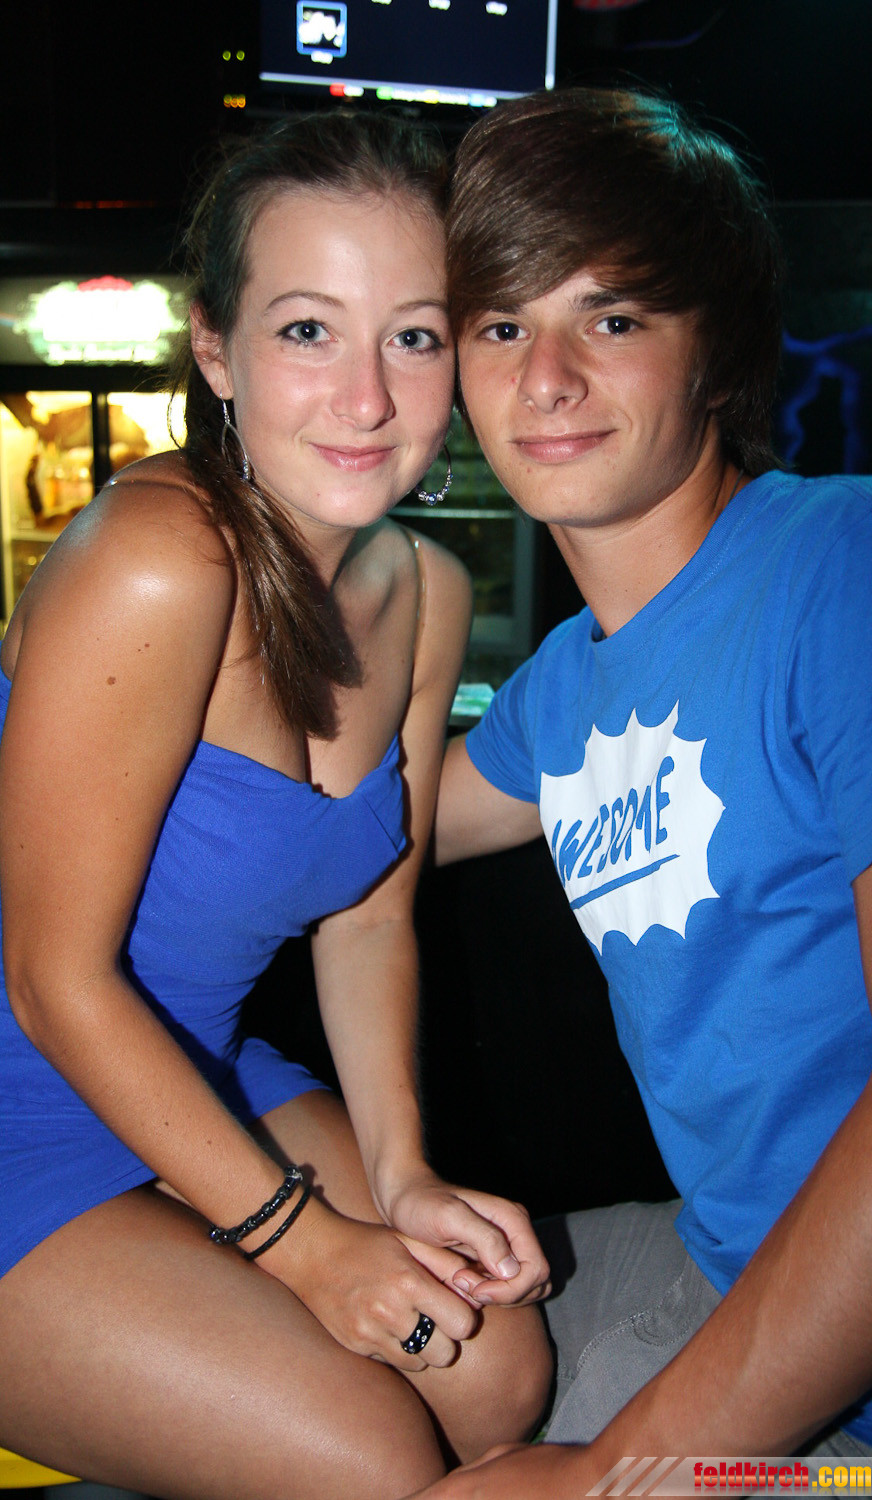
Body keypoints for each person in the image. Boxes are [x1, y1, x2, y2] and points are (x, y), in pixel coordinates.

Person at [420, 87, 872, 1496]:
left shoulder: (864, 564)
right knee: (352, 1373)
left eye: (612, 318)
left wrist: (614, 1477)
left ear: (715, 350)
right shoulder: (565, 687)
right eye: (501, 326)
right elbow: (346, 834)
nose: (546, 379)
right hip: (733, 1265)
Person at [0, 109, 552, 1500]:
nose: (365, 398)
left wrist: (403, 1174)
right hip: (23, 1086)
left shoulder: (425, 592)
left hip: (196, 1066)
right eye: (309, 330)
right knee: (365, 1457)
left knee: (499, 1373)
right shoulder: (156, 559)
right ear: (215, 350)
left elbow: (366, 923)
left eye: (413, 336)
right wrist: (305, 1248)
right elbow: (53, 980)